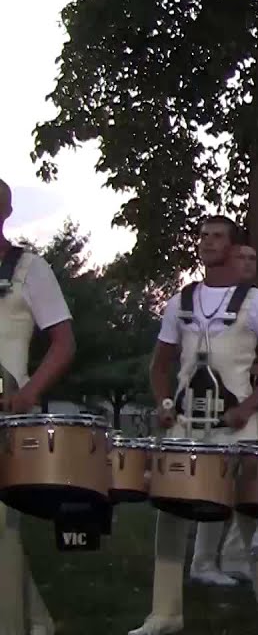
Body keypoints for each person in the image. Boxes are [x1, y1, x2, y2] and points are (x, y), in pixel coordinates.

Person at [130, 216, 258, 635]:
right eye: (202, 235)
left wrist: (251, 407)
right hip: (185, 426)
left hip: (233, 427)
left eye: (216, 236)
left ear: (232, 245)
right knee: (169, 516)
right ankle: (164, 614)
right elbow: (160, 364)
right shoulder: (180, 301)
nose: (206, 241)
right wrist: (164, 402)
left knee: (252, 522)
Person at [0, 178, 76, 635]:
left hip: (9, 415)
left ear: (5, 212)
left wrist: (28, 394)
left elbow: (64, 342)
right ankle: (38, 622)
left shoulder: (30, 268)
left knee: (3, 530)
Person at [188, 243, 258, 586]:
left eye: (252, 259)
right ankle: (202, 562)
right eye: (240, 257)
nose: (246, 263)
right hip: (220, 408)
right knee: (216, 484)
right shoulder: (212, 304)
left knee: (251, 486)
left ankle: (235, 558)